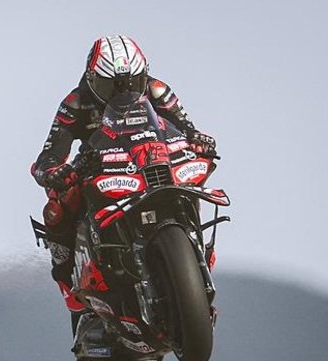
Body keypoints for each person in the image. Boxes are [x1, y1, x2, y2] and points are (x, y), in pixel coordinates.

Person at [30, 35, 216, 312]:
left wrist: (200, 141)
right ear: (92, 80)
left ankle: (195, 247)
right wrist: (55, 172)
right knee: (56, 207)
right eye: (112, 86)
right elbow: (48, 157)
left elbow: (188, 130)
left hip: (151, 160)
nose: (123, 93)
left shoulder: (156, 90)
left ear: (144, 75)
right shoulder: (76, 102)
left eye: (132, 83)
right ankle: (67, 280)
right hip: (99, 166)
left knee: (189, 178)